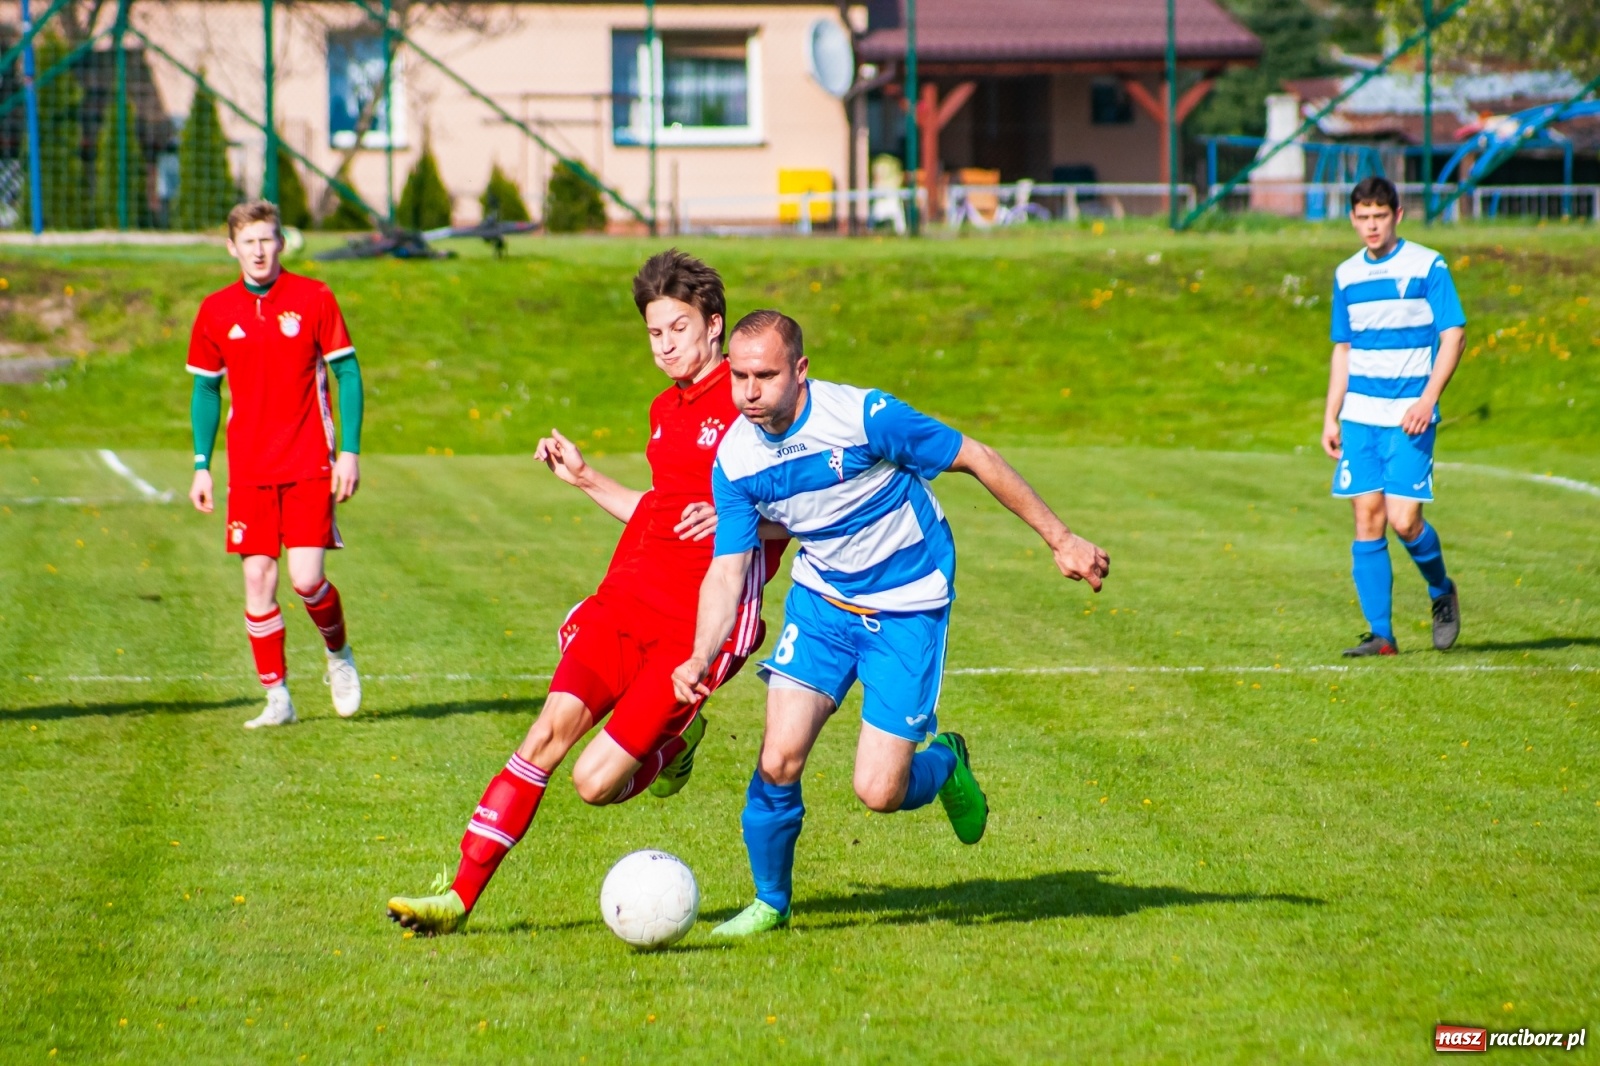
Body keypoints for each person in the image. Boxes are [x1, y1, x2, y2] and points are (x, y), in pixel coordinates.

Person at [671, 310, 1110, 936]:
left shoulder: (864, 418)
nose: (747, 391)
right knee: (778, 758)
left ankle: (947, 763)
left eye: (764, 375)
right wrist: (698, 656)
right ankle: (771, 902)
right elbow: (727, 568)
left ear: (800, 371)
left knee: (878, 791)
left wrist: (1061, 539)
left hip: (908, 602)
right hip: (822, 603)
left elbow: (978, 457)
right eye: (738, 375)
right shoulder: (735, 459)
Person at [387, 251, 786, 936]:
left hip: (697, 627)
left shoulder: (752, 398)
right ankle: (457, 896)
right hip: (625, 601)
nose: (665, 346)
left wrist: (746, 517)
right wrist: (585, 478)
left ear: (714, 325)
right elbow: (660, 511)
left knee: (594, 784)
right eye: (654, 333)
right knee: (544, 734)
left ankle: (675, 742)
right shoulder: (665, 407)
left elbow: (813, 507)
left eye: (679, 329)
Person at [186, 200, 364, 729]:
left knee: (307, 580)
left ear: (282, 242)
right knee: (258, 582)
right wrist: (202, 465)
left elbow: (348, 376)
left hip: (310, 458)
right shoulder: (216, 310)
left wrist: (348, 452)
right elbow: (204, 389)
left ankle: (338, 656)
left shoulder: (313, 298)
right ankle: (278, 698)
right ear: (232, 248)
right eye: (249, 242)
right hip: (249, 471)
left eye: (268, 239)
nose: (259, 251)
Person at [1322, 176, 1465, 657]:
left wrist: (1427, 400)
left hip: (1409, 415)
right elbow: (1343, 348)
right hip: (1361, 415)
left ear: (1398, 215)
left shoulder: (1428, 265)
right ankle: (1381, 635)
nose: (1371, 227)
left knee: (1405, 521)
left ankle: (1441, 589)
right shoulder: (1345, 275)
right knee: (1367, 516)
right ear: (1352, 219)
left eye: (1379, 217)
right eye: (1362, 218)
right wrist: (1331, 416)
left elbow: (1454, 336)